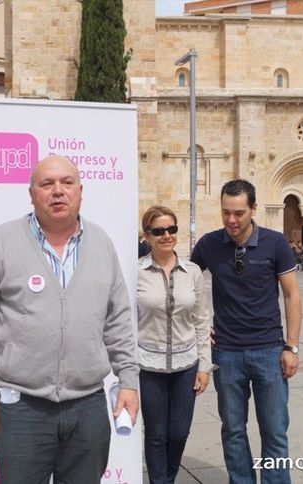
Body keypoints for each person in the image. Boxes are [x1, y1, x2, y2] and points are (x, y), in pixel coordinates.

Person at [0, 155, 139, 484]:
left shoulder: (101, 244)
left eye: (66, 183)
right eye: (47, 184)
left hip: (88, 407)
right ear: (31, 193)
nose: (58, 191)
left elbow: (118, 321)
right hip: (21, 409)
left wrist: (128, 380)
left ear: (81, 191)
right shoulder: (1, 243)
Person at [190, 179, 301, 484]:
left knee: (275, 431)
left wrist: (291, 347)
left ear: (254, 208)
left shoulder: (275, 243)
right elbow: (187, 287)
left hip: (269, 351)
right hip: (226, 354)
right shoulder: (209, 245)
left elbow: (292, 295)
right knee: (234, 431)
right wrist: (199, 329)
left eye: (238, 212)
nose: (231, 220)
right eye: (226, 212)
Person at [137, 205, 210, 484]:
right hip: (148, 365)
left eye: (171, 229)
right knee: (155, 434)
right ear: (147, 236)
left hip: (186, 365)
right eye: (159, 231)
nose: (166, 235)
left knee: (179, 432)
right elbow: (126, 320)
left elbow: (201, 320)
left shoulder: (191, 271)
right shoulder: (136, 272)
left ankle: (167, 477)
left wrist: (204, 366)